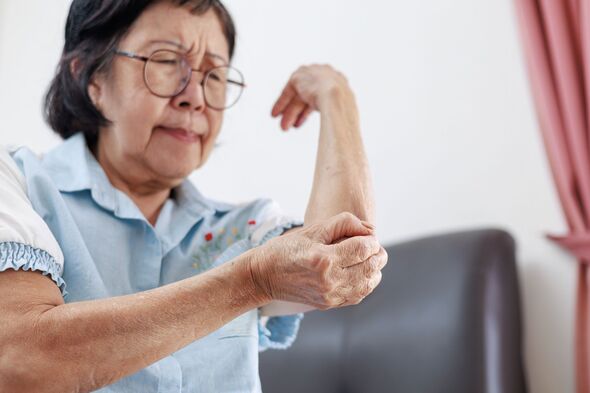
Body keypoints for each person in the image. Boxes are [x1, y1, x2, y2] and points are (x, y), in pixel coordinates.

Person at [0, 0, 387, 392]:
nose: (196, 97)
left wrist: (337, 96)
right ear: (90, 78)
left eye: (215, 75)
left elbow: (346, 259)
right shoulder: (19, 184)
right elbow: (20, 364)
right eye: (167, 61)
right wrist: (249, 281)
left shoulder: (247, 229)